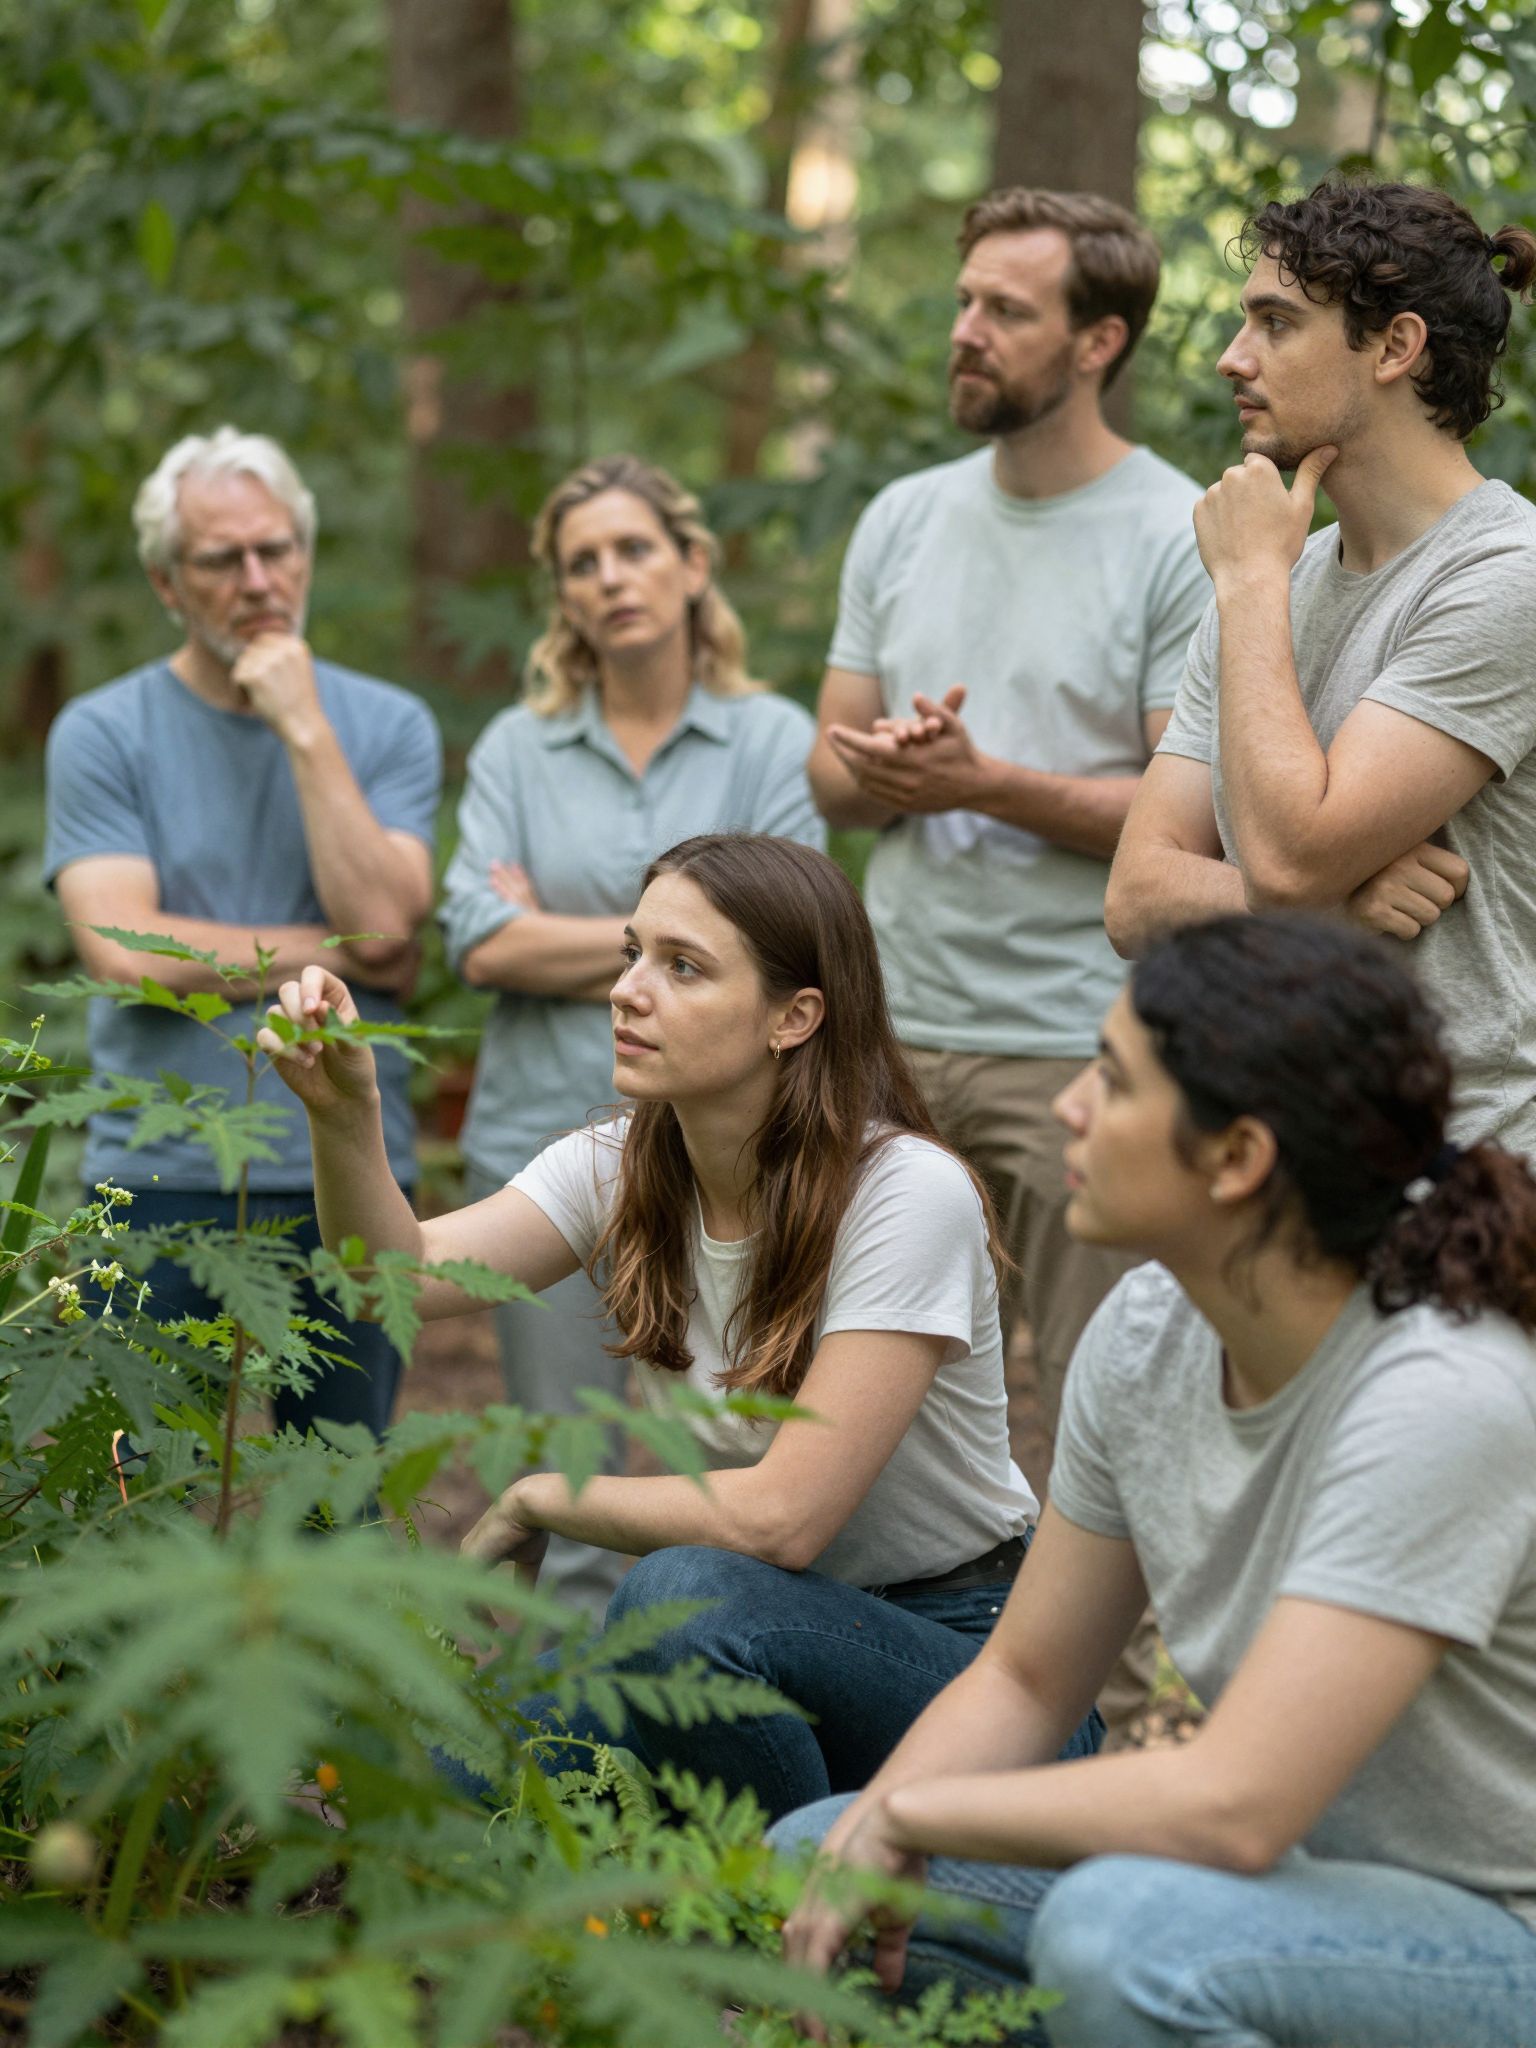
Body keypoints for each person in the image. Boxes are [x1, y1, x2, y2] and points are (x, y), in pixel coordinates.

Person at [772, 913, 1536, 2048]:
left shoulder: (1441, 1393)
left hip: (1495, 1939)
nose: (1072, 1105)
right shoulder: (1149, 1332)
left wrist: (916, 1810)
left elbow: (1236, 1805)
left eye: (1114, 1082)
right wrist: (882, 1826)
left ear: (1238, 1157)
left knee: (1119, 1935)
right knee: (811, 1854)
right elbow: (1029, 1678)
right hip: (1281, 1900)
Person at [262, 833, 1101, 1820]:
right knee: (391, 1765)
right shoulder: (619, 1163)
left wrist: (541, 1496)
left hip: (964, 1664)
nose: (627, 988)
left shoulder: (905, 1191)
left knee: (676, 1597)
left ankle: (766, 1905)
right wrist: (344, 1116)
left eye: (683, 965)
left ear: (795, 1016)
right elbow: (386, 1283)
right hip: (744, 1647)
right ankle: (750, 1826)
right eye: (632, 952)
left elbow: (784, 1518)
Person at [807, 187, 1209, 1739]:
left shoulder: (1179, 531)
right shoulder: (904, 515)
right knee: (870, 1396)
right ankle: (891, 1710)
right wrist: (896, 763)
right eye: (963, 299)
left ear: (1099, 340)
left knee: (1104, 1407)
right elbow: (830, 774)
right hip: (885, 1040)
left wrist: (989, 784)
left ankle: (1110, 1748)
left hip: (1080, 1046)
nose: (965, 331)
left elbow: (1194, 814)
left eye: (1006, 309)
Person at [441, 457, 824, 1621]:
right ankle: (552, 1746)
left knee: (748, 1461)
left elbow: (795, 936)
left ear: (694, 564)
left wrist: (546, 927)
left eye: (635, 549)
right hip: (540, 1141)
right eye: (582, 562)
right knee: (566, 1476)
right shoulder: (519, 744)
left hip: (730, 1155)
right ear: (561, 595)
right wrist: (691, 948)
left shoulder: (766, 736)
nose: (611, 578)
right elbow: (476, 939)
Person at [1107, 179, 1536, 1159]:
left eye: (1276, 323)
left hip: (1463, 1173)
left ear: (1396, 347)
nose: (1233, 357)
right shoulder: (1269, 570)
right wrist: (1324, 906)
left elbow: (1291, 851)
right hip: (1282, 1164)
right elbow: (1135, 895)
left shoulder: (1507, 575)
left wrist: (1252, 587)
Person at [43, 427, 441, 1438]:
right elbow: (126, 954)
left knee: (339, 1498)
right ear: (168, 583)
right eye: (223, 558)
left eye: (278, 549)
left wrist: (304, 727)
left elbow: (387, 923)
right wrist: (333, 943)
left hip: (351, 1173)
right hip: (155, 1169)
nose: (259, 578)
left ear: (306, 554)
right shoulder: (103, 730)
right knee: (137, 1494)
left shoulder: (387, 723)